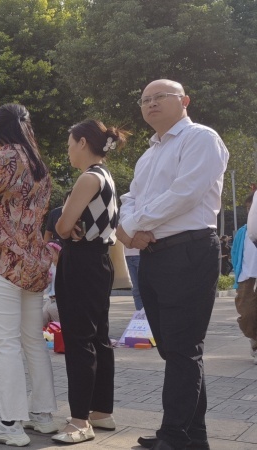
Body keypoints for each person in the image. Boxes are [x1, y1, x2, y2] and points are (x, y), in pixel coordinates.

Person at [118, 79, 229, 450]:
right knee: (173, 349)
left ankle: (174, 436)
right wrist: (130, 227)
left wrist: (134, 226)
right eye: (144, 99)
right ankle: (193, 436)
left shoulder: (201, 139)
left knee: (183, 348)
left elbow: (185, 193)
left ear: (184, 101)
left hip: (188, 251)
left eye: (160, 97)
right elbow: (130, 198)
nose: (151, 104)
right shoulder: (148, 154)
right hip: (153, 255)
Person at [0, 103, 57, 446]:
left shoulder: (1, 158)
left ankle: (9, 422)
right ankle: (43, 415)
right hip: (34, 258)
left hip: (4, 256)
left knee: (6, 342)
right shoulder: (39, 164)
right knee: (32, 339)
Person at [51, 119, 125, 443]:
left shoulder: (88, 177)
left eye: (70, 144)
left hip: (81, 262)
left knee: (79, 341)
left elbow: (63, 226)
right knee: (98, 338)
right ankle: (101, 411)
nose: (68, 151)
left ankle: (80, 420)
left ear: (82, 142)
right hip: (98, 261)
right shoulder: (106, 176)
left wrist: (65, 224)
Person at [237, 194, 257, 365]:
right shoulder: (242, 232)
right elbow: (236, 254)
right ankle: (254, 338)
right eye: (249, 208)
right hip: (246, 277)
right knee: (247, 315)